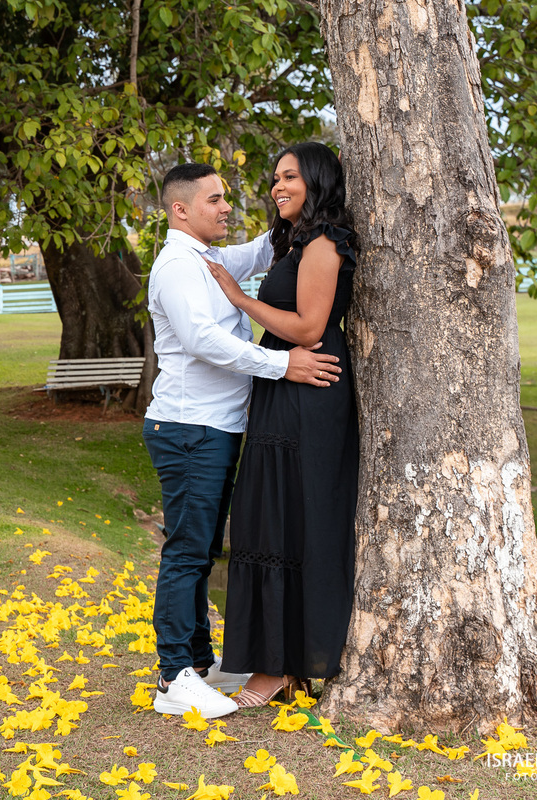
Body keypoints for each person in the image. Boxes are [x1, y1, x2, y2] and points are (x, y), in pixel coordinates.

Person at [144, 162, 343, 719]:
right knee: (187, 551)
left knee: (203, 548)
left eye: (225, 198)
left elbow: (258, 253)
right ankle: (173, 676)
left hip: (216, 427)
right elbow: (203, 340)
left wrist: (300, 206)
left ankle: (196, 664)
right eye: (214, 200)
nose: (226, 206)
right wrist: (283, 364)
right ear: (180, 210)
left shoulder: (206, 258)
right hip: (189, 429)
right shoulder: (179, 267)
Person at [204, 142, 360, 707]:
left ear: (315, 181)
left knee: (294, 521)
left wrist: (238, 298)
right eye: (274, 178)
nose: (277, 186)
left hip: (310, 391)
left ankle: (283, 666)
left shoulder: (323, 244)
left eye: (289, 176)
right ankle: (277, 662)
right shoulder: (291, 242)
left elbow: (309, 326)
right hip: (282, 389)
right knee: (269, 520)